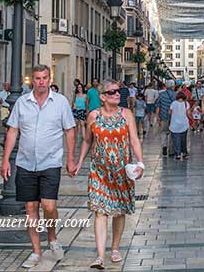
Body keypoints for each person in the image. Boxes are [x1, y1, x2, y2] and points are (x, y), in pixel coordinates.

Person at [1, 65, 77, 269]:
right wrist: (5, 159)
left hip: (51, 162)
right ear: (31, 81)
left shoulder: (60, 103)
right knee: (31, 208)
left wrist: (70, 158)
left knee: (49, 206)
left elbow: (70, 131)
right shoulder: (22, 103)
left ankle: (52, 237)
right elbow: (12, 131)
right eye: (37, 78)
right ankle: (36, 252)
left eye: (44, 78)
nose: (41, 81)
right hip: (25, 162)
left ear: (49, 78)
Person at [75, 79, 143, 269]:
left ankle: (114, 248)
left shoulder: (126, 114)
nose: (117, 94)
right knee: (100, 211)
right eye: (112, 92)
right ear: (103, 97)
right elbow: (87, 141)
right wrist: (80, 160)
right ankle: (99, 256)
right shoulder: (93, 116)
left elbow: (134, 140)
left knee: (119, 211)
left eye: (118, 91)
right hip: (99, 171)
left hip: (122, 172)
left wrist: (141, 163)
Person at [156, 80, 176, 156]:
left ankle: (164, 146)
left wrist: (157, 116)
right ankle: (171, 150)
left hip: (163, 116)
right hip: (173, 117)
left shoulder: (161, 94)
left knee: (164, 132)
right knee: (172, 133)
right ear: (172, 86)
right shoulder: (175, 95)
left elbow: (158, 106)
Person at [169, 91, 190, 160]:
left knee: (176, 139)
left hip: (174, 124)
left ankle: (177, 153)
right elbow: (188, 113)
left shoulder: (173, 103)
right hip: (184, 124)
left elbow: (170, 112)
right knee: (183, 139)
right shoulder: (186, 103)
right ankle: (184, 152)